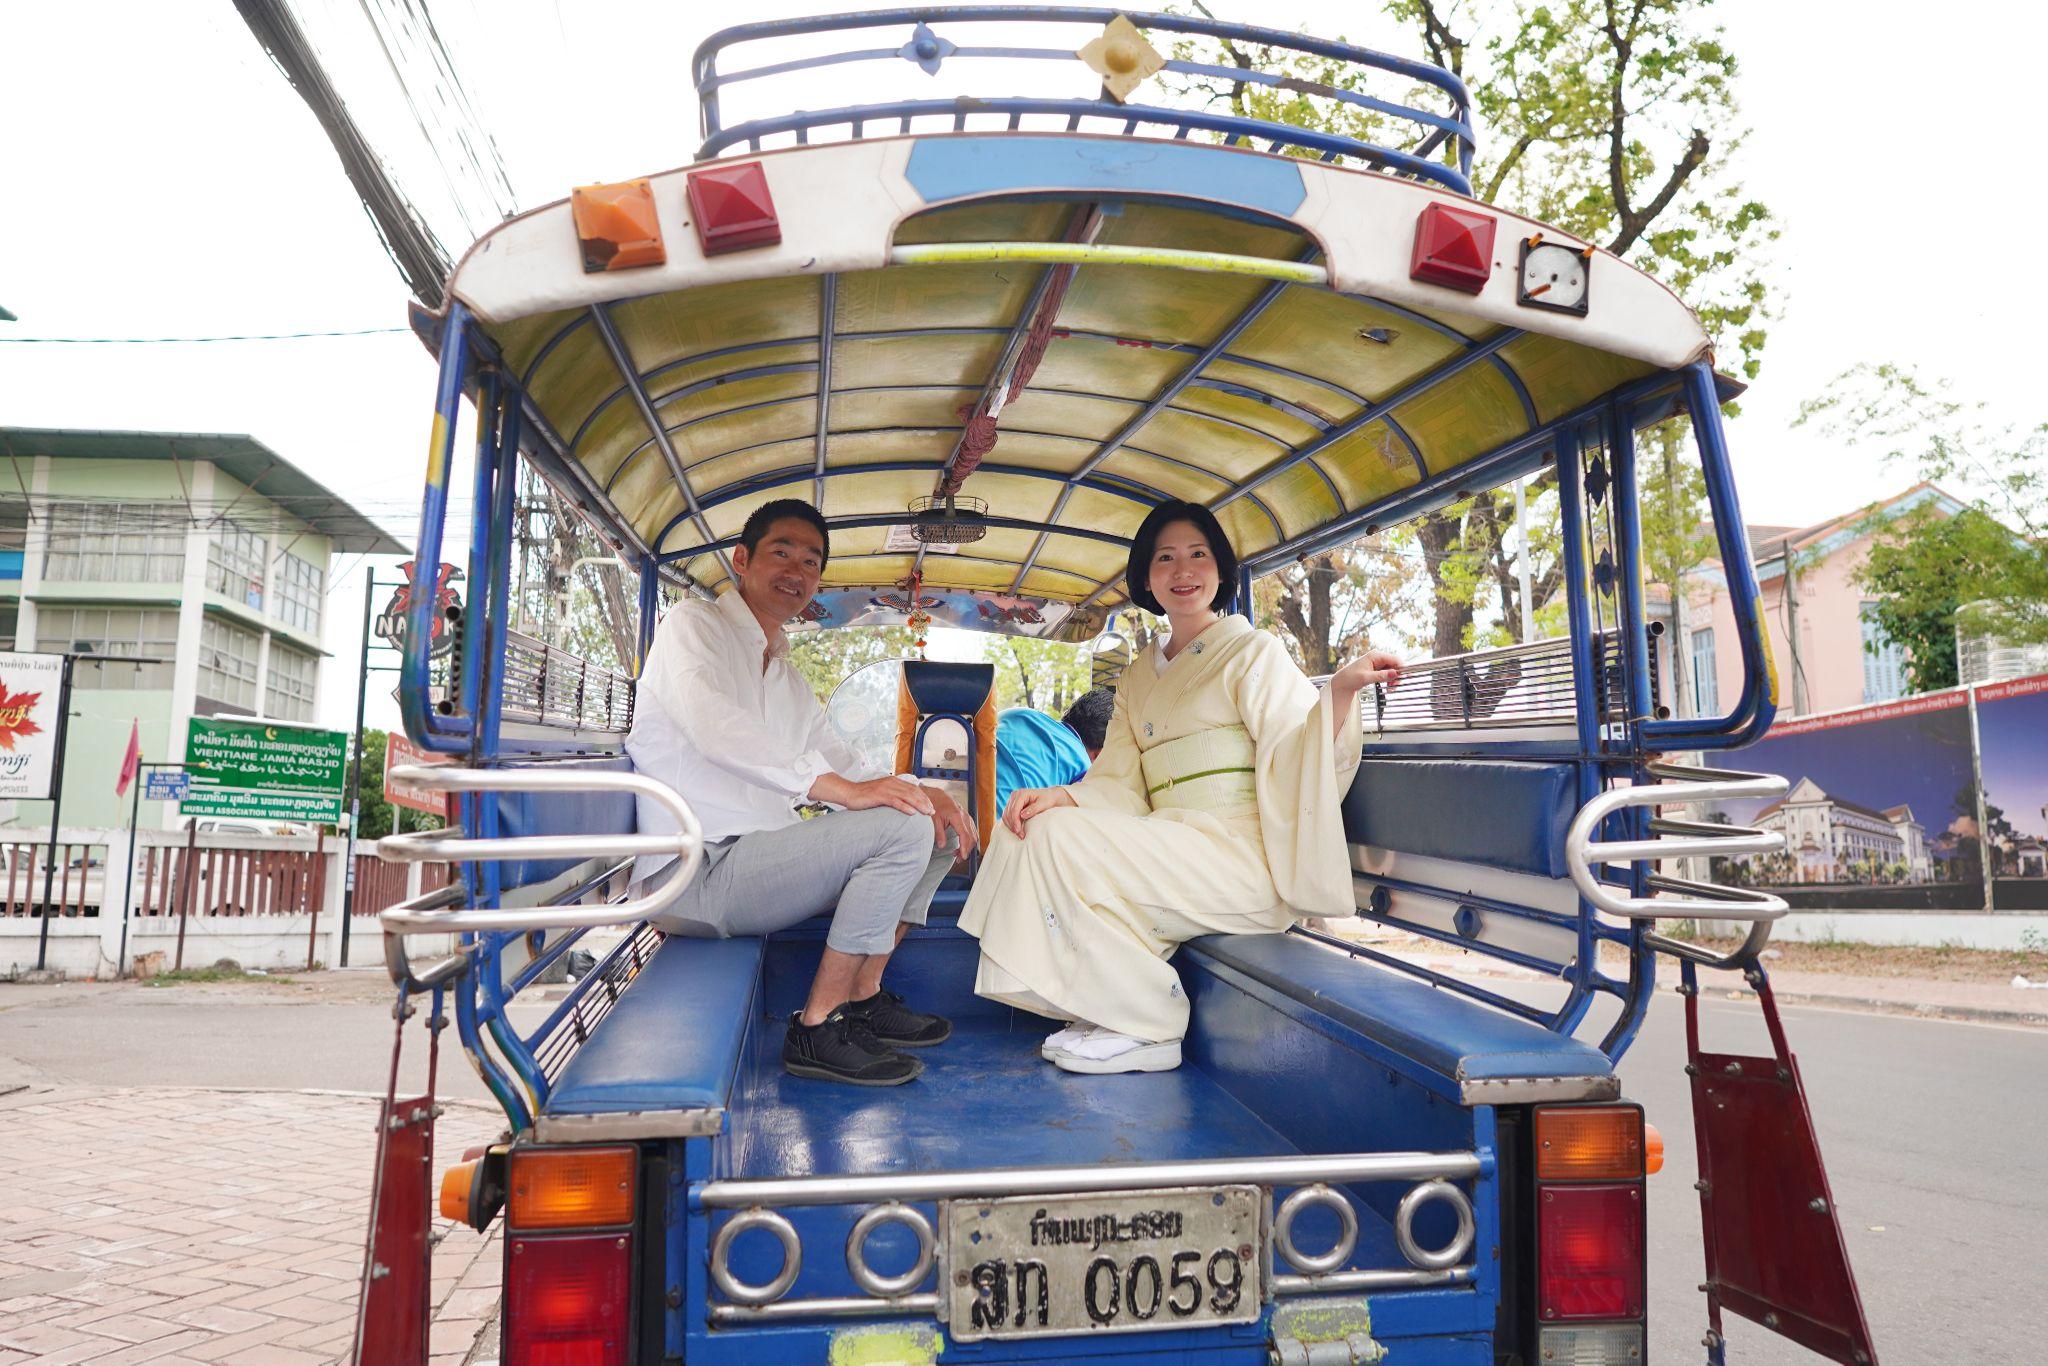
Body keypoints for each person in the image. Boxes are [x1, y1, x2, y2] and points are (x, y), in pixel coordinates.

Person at [958, 500, 1403, 1075]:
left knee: (1060, 842)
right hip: (1172, 843)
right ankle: (1106, 1002)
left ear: (1220, 570)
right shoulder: (1139, 674)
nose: (1183, 570)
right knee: (1032, 828)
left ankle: (1151, 1021)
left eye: (1198, 555)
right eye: (1165, 558)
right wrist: (1063, 796)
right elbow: (1119, 776)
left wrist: (1338, 694)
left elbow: (1296, 750)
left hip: (1241, 859)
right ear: (1146, 577)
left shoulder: (1253, 652)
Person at [627, 499, 977, 1087]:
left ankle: (863, 996)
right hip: (699, 867)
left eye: (810, 562)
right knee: (898, 826)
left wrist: (926, 791)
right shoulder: (694, 626)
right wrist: (837, 789)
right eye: (780, 552)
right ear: (742, 561)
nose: (795, 571)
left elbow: (849, 763)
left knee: (929, 822)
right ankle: (817, 1027)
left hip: (758, 860)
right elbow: (715, 726)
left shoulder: (785, 676)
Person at [992, 687, 1114, 818]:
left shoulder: (1016, 714)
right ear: (1100, 754)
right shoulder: (1082, 766)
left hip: (969, 815)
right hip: (1000, 830)